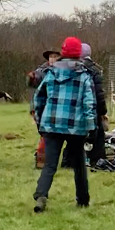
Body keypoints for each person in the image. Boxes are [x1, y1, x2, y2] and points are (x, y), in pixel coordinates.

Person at [32, 37, 97, 213]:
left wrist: (40, 121)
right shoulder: (84, 75)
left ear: (63, 52)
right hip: (76, 127)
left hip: (51, 125)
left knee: (50, 165)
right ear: (79, 54)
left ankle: (41, 195)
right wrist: (91, 127)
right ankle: (82, 200)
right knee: (79, 165)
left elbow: (38, 98)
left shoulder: (50, 72)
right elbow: (89, 104)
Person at [27, 49, 61, 169]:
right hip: (41, 106)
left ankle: (44, 156)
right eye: (51, 57)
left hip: (56, 107)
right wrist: (31, 78)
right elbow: (33, 83)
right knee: (45, 133)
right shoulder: (42, 71)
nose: (53, 59)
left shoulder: (63, 71)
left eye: (55, 56)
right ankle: (42, 157)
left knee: (50, 134)